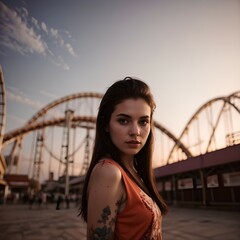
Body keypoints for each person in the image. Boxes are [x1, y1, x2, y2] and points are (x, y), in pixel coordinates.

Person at [80, 77, 168, 239]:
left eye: (143, 122)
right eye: (123, 120)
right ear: (106, 124)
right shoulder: (108, 172)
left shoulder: (135, 173)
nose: (135, 131)